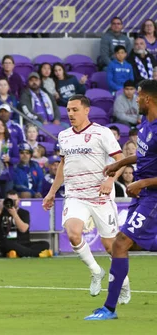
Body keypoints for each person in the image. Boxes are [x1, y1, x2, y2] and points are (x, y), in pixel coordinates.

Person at [43, 94, 129, 300]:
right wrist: (52, 192)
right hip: (75, 195)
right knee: (73, 233)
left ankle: (123, 283)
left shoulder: (102, 133)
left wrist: (110, 181)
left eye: (75, 110)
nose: (70, 114)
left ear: (86, 110)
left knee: (111, 247)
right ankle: (95, 271)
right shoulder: (64, 136)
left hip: (100, 196)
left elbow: (121, 160)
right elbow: (64, 165)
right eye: (68, 110)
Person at [85, 79, 157, 320]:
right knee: (129, 244)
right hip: (142, 194)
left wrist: (142, 183)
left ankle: (109, 308)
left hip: (152, 196)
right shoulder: (145, 125)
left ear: (148, 99)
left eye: (138, 96)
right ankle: (109, 308)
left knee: (120, 243)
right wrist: (121, 162)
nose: (136, 99)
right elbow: (145, 156)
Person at [0, 190, 52, 258]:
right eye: (10, 200)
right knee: (7, 243)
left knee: (45, 244)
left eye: (14, 200)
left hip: (23, 243)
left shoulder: (24, 213)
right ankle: (37, 254)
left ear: (19, 200)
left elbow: (23, 229)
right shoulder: (1, 212)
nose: (12, 203)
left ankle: (16, 254)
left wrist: (14, 214)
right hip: (8, 242)